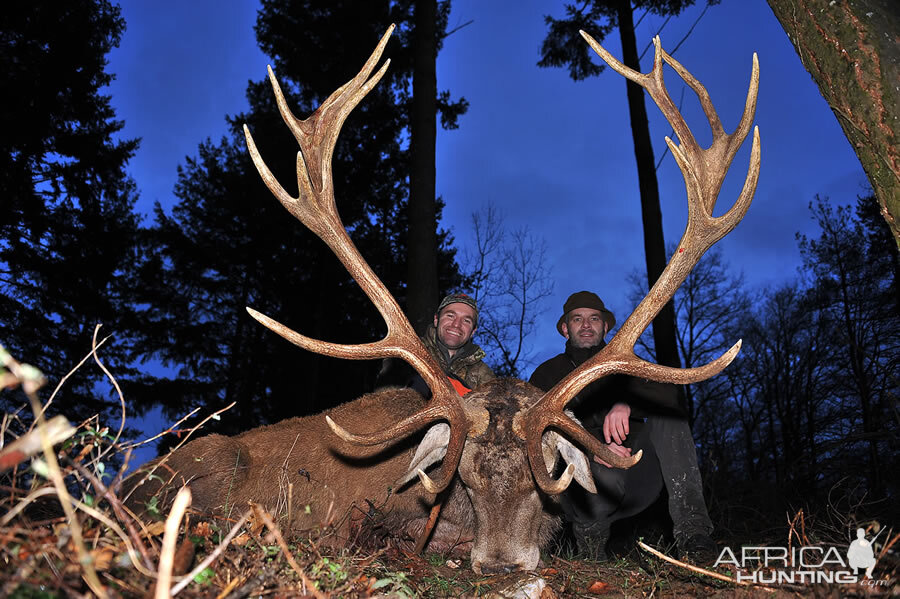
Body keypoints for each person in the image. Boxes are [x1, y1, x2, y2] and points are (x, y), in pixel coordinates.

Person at [529, 291, 717, 563]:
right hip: (582, 482)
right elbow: (537, 429)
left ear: (605, 326)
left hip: (637, 476)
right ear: (564, 328)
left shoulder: (629, 367)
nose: (586, 325)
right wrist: (592, 449)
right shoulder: (547, 373)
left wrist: (626, 403)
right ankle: (591, 547)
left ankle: (694, 534)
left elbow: (669, 396)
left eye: (594, 318)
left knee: (670, 419)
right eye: (577, 319)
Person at [377, 293, 495, 397]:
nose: (456, 325)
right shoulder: (407, 353)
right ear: (436, 320)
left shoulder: (484, 374)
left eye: (466, 321)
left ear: (473, 332)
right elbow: (384, 400)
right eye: (450, 315)